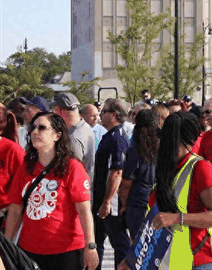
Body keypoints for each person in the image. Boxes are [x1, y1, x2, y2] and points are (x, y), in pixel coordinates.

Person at [117, 111, 212, 270]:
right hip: (173, 262)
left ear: (190, 140)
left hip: (201, 261)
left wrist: (177, 218)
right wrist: (131, 259)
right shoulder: (167, 169)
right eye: (165, 137)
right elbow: (153, 222)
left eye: (173, 139)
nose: (165, 143)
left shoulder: (202, 168)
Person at [5, 112, 99, 270]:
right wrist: (6, 248)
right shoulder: (25, 167)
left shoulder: (72, 167)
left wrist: (91, 246)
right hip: (29, 250)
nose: (35, 132)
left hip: (66, 252)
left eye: (41, 128)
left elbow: (84, 211)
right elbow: (15, 210)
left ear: (57, 135)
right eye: (33, 128)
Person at [93, 98, 131, 269]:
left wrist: (107, 202)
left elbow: (116, 171)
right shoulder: (110, 135)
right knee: (96, 242)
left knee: (120, 244)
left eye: (104, 111)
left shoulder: (117, 137)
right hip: (102, 200)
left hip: (110, 203)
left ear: (114, 114)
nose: (100, 115)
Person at [119, 109, 159, 237]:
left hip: (137, 203)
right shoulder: (162, 147)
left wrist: (123, 204)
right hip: (157, 201)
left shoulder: (135, 150)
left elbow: (127, 183)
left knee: (138, 247)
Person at [52, 93, 95, 180]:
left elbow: (72, 174)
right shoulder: (84, 126)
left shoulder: (73, 138)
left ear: (61, 111)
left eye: (54, 110)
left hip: (76, 189)